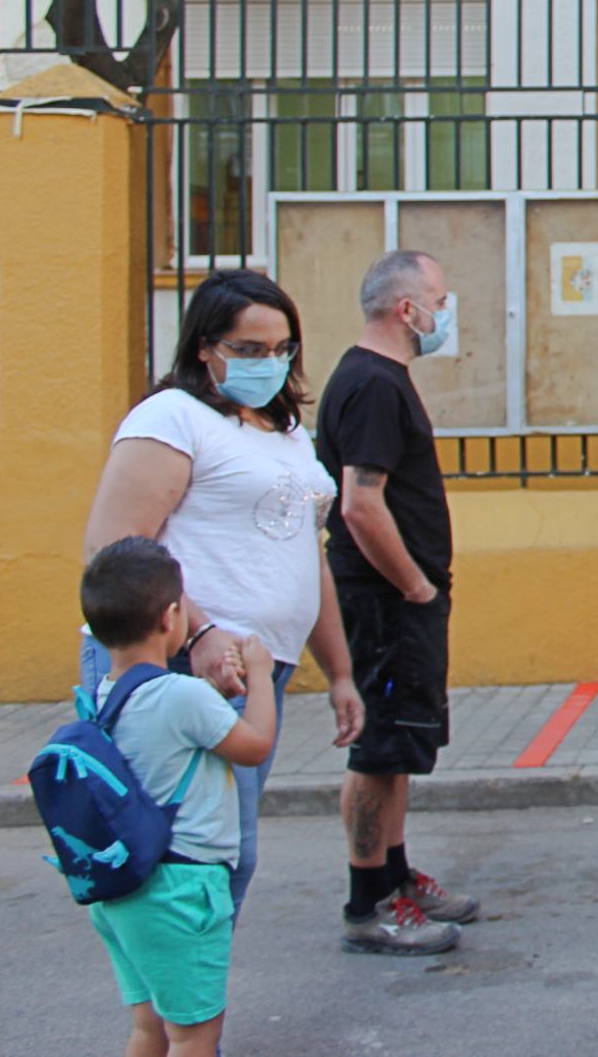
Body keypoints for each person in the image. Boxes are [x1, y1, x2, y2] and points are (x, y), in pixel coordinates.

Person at [80, 269, 361, 918]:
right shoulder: (171, 418)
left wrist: (340, 671)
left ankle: (184, 1008)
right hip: (178, 666)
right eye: (251, 349)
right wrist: (201, 633)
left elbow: (303, 553)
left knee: (224, 854)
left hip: (256, 669)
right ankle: (166, 1014)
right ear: (205, 347)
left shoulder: (283, 432)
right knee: (186, 854)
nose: (271, 363)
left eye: (283, 349)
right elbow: (116, 549)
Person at [312, 250, 479, 955]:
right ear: (405, 310)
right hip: (385, 602)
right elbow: (360, 503)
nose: (445, 314)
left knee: (401, 743)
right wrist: (412, 584)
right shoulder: (373, 385)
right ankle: (368, 904)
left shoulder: (382, 379)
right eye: (438, 300)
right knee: (379, 750)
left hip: (402, 600)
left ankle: (398, 876)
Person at [74, 539, 280, 1057]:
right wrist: (259, 674)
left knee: (150, 1028)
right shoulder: (181, 695)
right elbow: (253, 746)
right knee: (194, 1035)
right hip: (180, 890)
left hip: (127, 889)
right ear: (172, 618)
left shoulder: (103, 695)